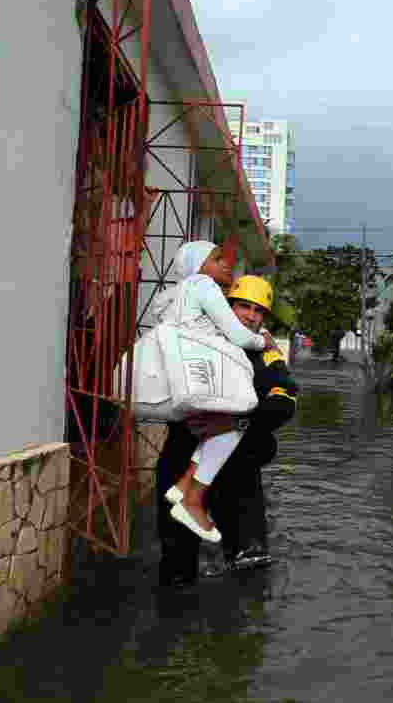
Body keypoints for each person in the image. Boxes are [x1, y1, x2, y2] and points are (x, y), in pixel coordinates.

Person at [156, 275, 299, 587]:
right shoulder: (198, 339)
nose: (250, 315)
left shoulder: (266, 351)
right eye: (243, 306)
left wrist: (239, 423)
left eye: (258, 310)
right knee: (177, 568)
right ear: (227, 306)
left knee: (249, 570)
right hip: (183, 457)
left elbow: (284, 401)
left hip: (238, 470)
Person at [150, 241, 275, 542]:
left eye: (258, 310)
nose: (226, 263)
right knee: (230, 427)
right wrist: (264, 342)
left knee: (224, 428)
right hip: (195, 398)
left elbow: (281, 406)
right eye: (217, 258)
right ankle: (191, 499)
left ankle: (184, 487)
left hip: (184, 393)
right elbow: (235, 333)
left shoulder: (174, 297)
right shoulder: (204, 287)